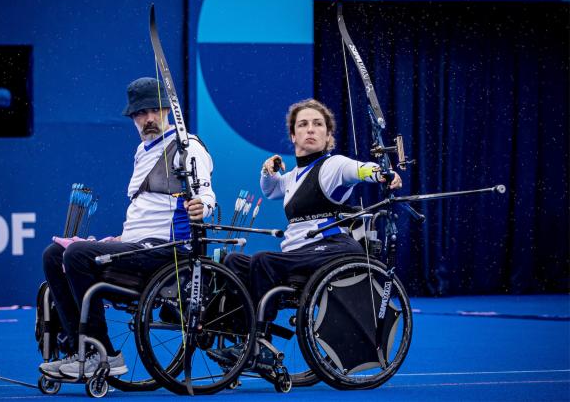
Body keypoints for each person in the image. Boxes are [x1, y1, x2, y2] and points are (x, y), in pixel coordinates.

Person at [39, 77, 215, 378]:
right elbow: (146, 211)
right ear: (132, 117)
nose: (147, 118)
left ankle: (102, 353)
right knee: (54, 254)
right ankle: (78, 350)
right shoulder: (142, 151)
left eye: (154, 110)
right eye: (139, 113)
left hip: (168, 253)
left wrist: (202, 207)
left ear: (167, 111)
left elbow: (206, 195)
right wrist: (119, 238)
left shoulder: (188, 148)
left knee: (78, 255)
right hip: (139, 248)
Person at [218, 98, 401, 353]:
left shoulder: (333, 165)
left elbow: (358, 170)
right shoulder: (293, 176)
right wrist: (267, 171)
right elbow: (270, 190)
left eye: (318, 124)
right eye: (303, 125)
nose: (311, 129)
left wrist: (381, 173)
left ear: (328, 136)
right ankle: (234, 327)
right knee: (233, 262)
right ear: (293, 136)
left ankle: (257, 340)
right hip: (300, 254)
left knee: (263, 260)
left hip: (332, 248)